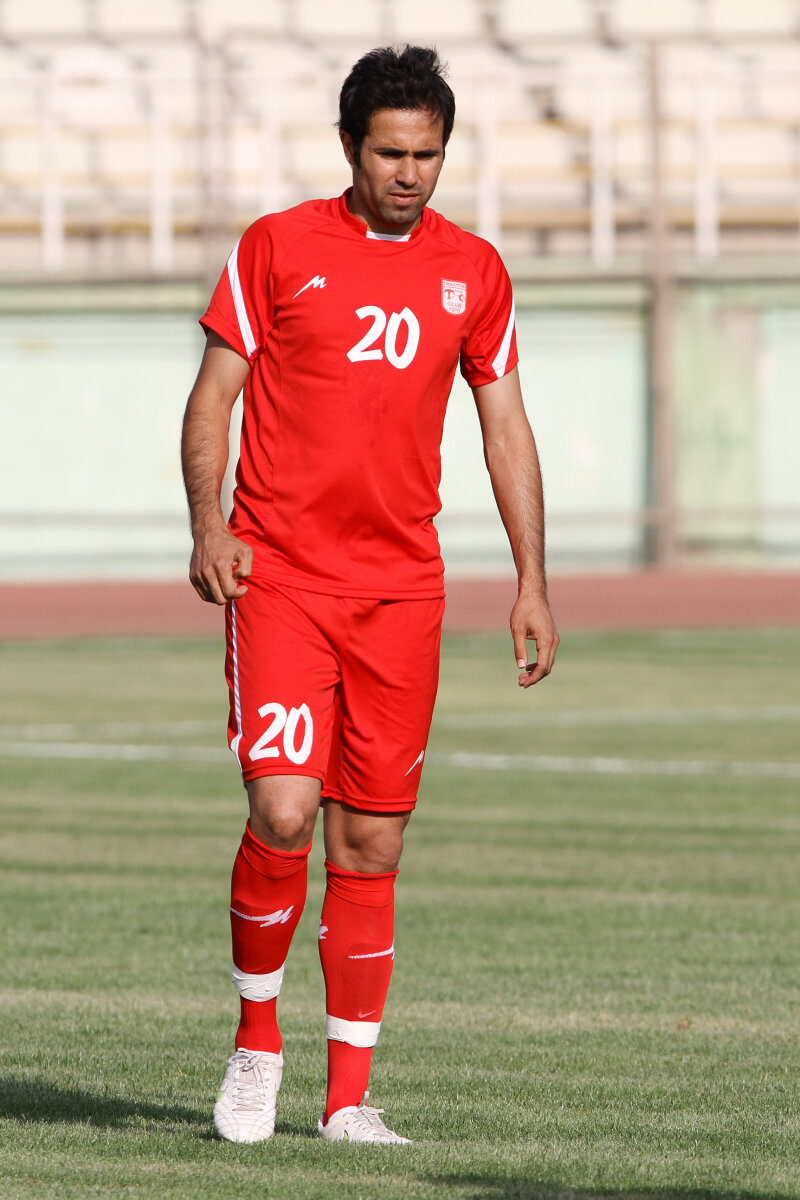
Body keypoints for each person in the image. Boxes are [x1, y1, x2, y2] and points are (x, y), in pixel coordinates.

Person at [181, 44, 559, 1146]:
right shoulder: (277, 246)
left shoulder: (474, 271)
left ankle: (347, 1103)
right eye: (389, 153)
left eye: (426, 156)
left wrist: (532, 581)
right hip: (282, 577)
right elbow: (211, 398)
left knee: (372, 846)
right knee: (283, 809)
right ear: (349, 146)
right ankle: (257, 1043)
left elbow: (504, 427)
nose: (408, 173)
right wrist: (208, 525)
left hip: (401, 593)